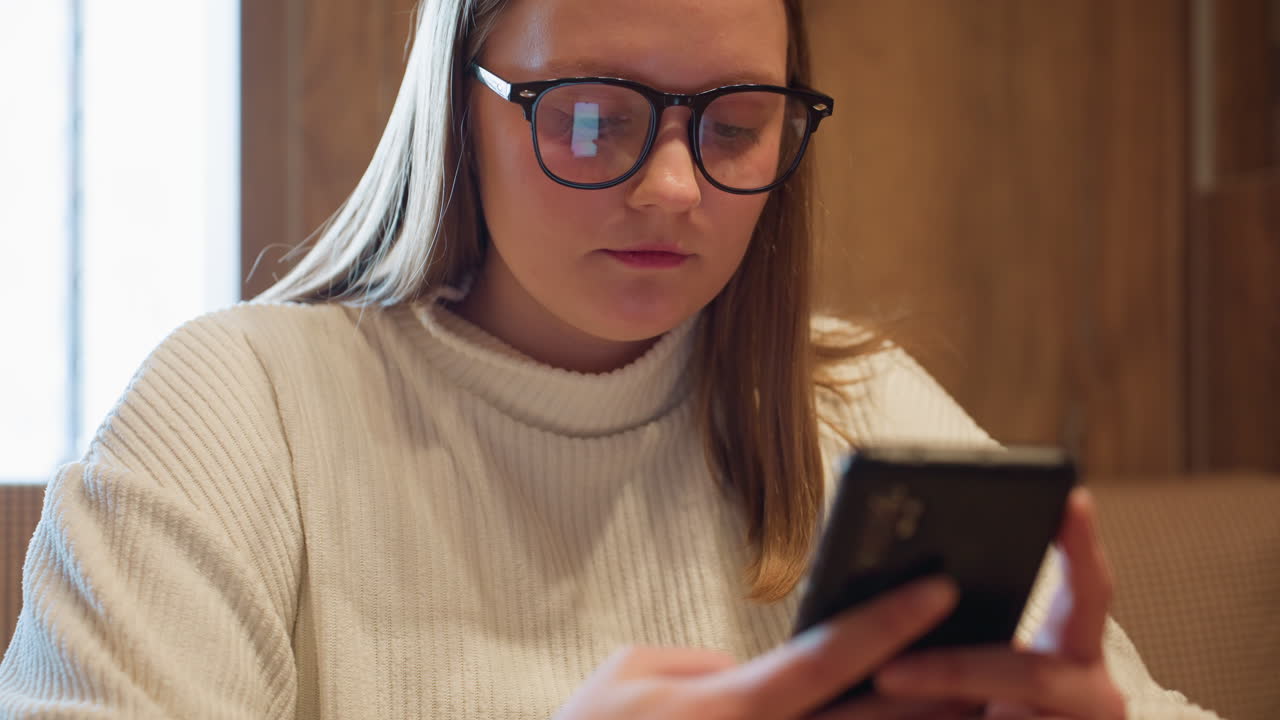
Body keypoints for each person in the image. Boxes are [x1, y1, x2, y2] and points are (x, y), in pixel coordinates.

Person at [0, 0, 1222, 718]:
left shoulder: (846, 403)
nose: (677, 189)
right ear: (457, 105)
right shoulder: (236, 411)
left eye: (736, 125)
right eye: (593, 118)